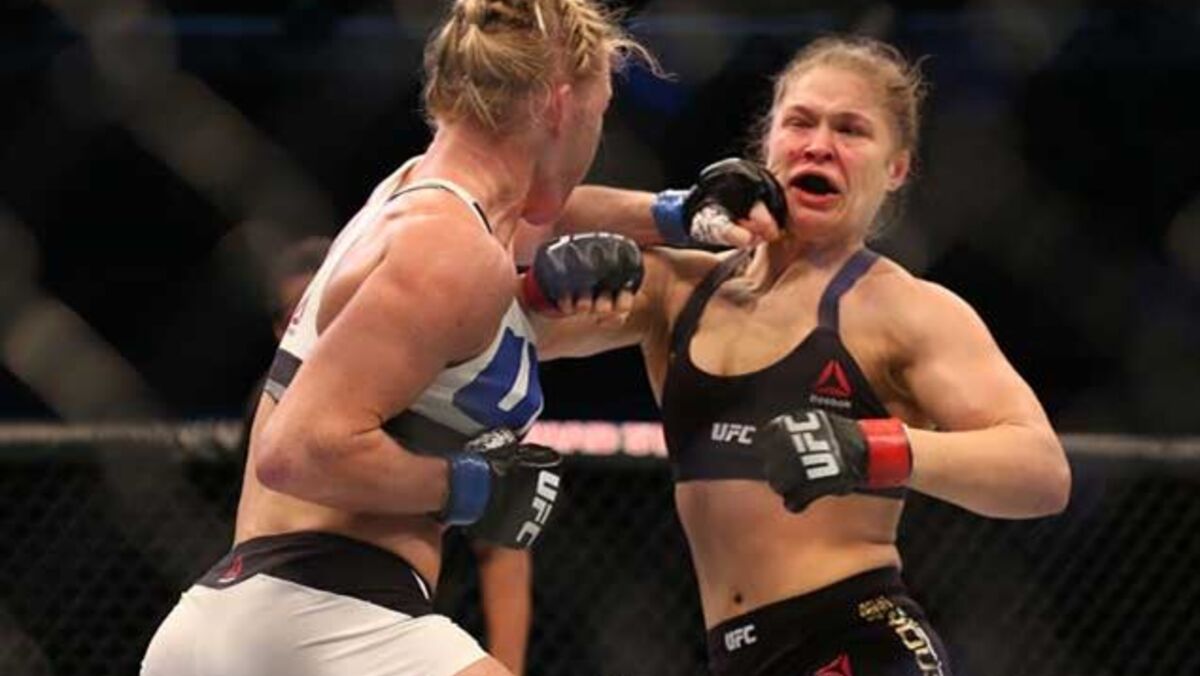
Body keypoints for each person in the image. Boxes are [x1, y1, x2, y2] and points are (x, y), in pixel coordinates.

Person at [141, 2, 653, 675]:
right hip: (322, 618)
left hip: (254, 615)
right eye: (600, 111)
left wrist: (677, 215)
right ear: (560, 107)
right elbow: (295, 451)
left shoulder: (417, 200)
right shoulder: (450, 247)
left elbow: (547, 233)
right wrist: (472, 488)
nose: (597, 139)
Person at [534, 35, 1072, 675]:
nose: (819, 144)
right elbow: (521, 221)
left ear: (896, 169)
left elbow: (1042, 474)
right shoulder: (680, 290)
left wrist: (872, 448)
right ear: (766, 146)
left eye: (851, 130)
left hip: (859, 642)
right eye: (800, 122)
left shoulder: (905, 310)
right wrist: (673, 212)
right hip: (735, 654)